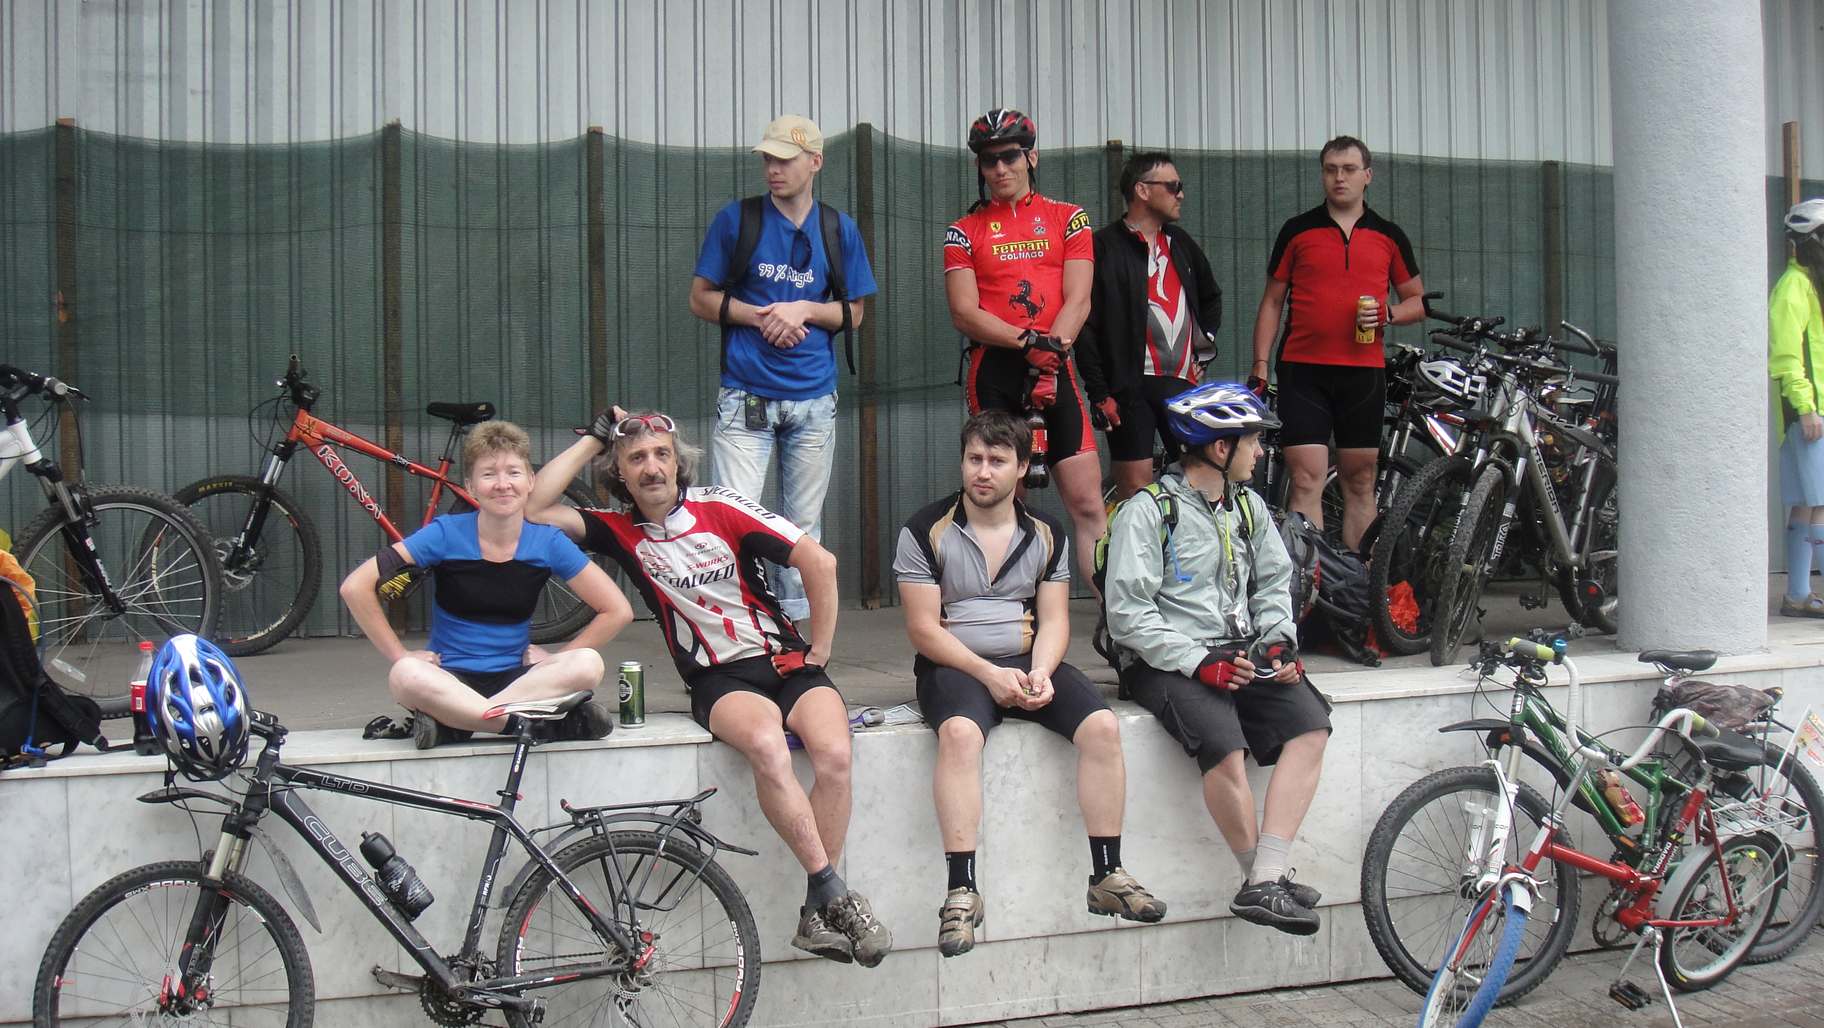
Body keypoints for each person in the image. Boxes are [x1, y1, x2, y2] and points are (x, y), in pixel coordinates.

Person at [526, 409, 894, 968]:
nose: (652, 467)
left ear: (679, 463)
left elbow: (819, 561)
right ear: (619, 473)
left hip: (787, 661)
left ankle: (814, 912)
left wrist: (820, 647)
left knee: (836, 755)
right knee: (767, 746)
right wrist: (594, 440)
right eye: (636, 459)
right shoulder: (618, 530)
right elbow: (533, 508)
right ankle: (833, 892)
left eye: (662, 455)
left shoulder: (720, 506)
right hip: (718, 678)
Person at [894, 411, 1165, 958]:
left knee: (1102, 727)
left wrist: (1041, 670)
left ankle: (1107, 875)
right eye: (974, 459)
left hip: (1027, 658)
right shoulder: (924, 530)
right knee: (961, 735)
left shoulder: (1047, 532)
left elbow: (1056, 620)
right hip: (955, 665)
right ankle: (961, 891)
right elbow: (923, 630)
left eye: (997, 461)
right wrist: (989, 674)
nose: (983, 471)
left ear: (1022, 468)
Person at [1102, 382, 1332, 936]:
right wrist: (1197, 662)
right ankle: (1262, 881)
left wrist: (1278, 642)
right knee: (1225, 748)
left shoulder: (1248, 507)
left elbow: (1274, 583)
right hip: (1162, 660)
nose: (1262, 452)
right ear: (1220, 448)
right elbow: (1127, 615)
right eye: (1252, 442)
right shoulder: (1147, 512)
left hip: (1238, 651)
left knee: (1311, 725)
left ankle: (1264, 879)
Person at [688, 114, 877, 627]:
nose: (773, 169)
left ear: (815, 162)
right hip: (745, 395)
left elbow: (855, 312)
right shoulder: (738, 220)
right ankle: (735, 631)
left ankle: (793, 634)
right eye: (768, 159)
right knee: (733, 520)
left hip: (814, 399)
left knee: (802, 529)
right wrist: (763, 316)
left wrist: (804, 310)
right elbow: (700, 298)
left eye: (785, 160)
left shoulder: (838, 228)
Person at [339, 421, 632, 749]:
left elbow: (617, 610)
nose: (503, 484)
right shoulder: (445, 533)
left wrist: (554, 659)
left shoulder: (547, 541)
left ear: (530, 481)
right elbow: (355, 586)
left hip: (520, 680)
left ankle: (458, 723)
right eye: (489, 474)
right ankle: (529, 726)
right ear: (471, 485)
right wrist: (400, 653)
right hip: (449, 678)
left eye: (513, 473)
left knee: (588, 663)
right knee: (404, 674)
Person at [943, 107, 1105, 587]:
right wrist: (1028, 341)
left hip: (1056, 367)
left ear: (1031, 157)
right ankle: (1009, 610)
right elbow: (964, 312)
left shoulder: (1068, 218)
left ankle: (1116, 619)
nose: (1000, 168)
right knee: (1003, 503)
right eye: (989, 160)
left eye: (1010, 156)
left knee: (1088, 503)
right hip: (996, 369)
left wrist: (1052, 349)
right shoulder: (963, 230)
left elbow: (1079, 298)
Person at [1249, 135, 1425, 551]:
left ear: (1368, 175)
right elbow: (1272, 301)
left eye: (1348, 169)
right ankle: (1311, 582)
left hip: (1363, 373)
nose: (1339, 178)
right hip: (1303, 371)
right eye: (1331, 170)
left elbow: (1417, 301)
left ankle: (1360, 581)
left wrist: (1389, 314)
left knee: (1360, 480)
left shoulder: (1388, 235)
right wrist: (1260, 363)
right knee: (1306, 477)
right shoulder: (1297, 230)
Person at [1081, 151, 1224, 500]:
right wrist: (1099, 393)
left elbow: (1211, 296)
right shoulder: (1102, 246)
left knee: (1198, 481)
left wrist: (1203, 350)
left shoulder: (1181, 242)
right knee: (1135, 488)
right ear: (1142, 190)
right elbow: (1084, 325)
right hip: (1129, 387)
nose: (1181, 194)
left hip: (1181, 384)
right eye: (1173, 186)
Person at [1772, 198, 1824, 617]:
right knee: (1819, 504)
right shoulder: (1793, 288)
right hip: (1808, 414)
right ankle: (1802, 594)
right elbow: (1786, 356)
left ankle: (1799, 595)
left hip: (1812, 411)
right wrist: (1806, 408)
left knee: (1808, 504)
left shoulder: (1808, 284)